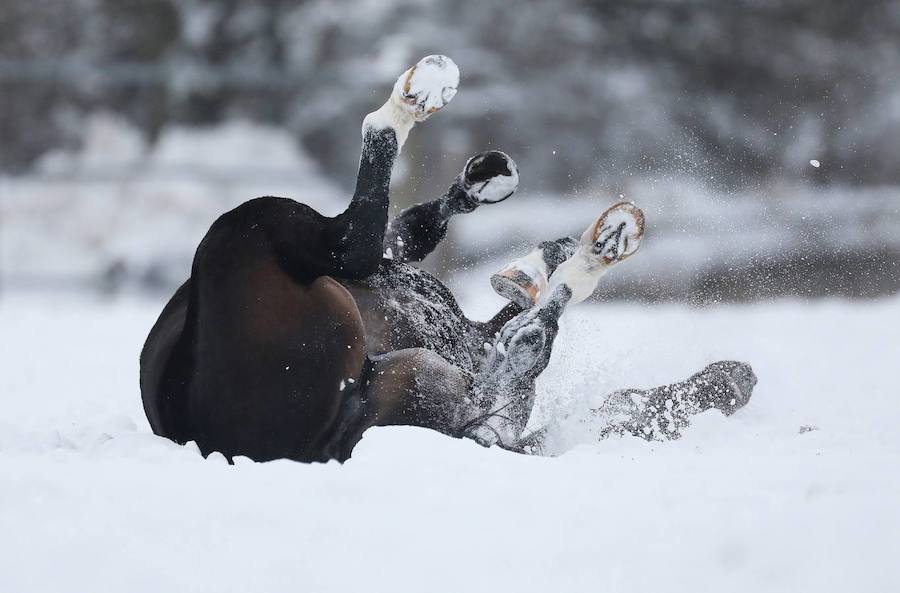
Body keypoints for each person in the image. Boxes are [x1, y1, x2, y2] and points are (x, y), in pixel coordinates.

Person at [140, 55, 756, 463]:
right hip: (379, 362)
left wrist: (453, 202)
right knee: (483, 396)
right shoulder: (376, 348)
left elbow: (380, 250)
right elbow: (374, 253)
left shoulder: (311, 291)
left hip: (338, 344)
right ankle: (556, 293)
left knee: (421, 309)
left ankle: (546, 291)